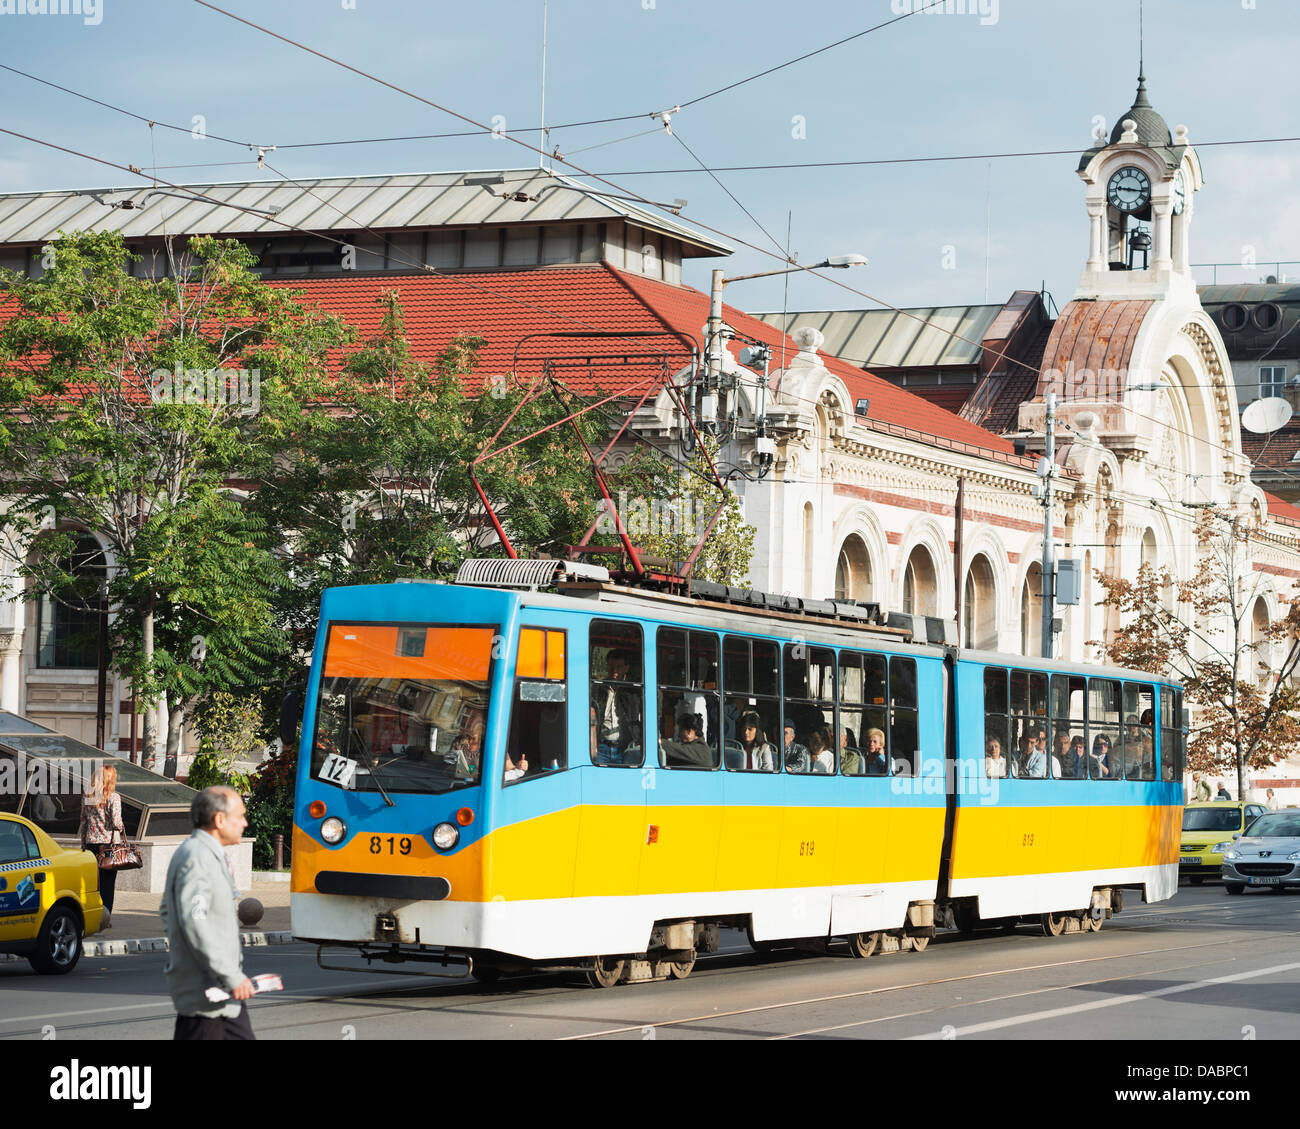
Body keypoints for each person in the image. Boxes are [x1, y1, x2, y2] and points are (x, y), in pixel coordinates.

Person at [159, 786, 256, 1041]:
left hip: (219, 992)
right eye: (240, 816)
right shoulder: (198, 857)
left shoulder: (206, 854)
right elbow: (196, 922)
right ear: (220, 819)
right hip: (206, 994)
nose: (245, 823)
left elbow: (168, 912)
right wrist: (231, 974)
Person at [78, 763, 124, 921]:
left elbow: (83, 821)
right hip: (108, 846)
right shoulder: (114, 797)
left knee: (93, 882)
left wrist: (83, 844)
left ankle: (91, 915)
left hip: (91, 843)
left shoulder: (88, 796)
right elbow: (117, 823)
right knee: (107, 883)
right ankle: (105, 918)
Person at [593, 650, 639, 766]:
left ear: (626, 668)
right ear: (607, 667)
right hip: (601, 746)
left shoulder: (633, 690)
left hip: (625, 747)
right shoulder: (598, 688)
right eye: (611, 666)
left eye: (619, 666)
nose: (615, 670)